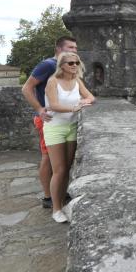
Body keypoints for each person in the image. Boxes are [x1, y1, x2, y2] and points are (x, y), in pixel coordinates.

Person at [22, 35, 78, 209]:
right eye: (70, 47)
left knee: (59, 161)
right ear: (59, 49)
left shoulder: (67, 67)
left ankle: (59, 193)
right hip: (48, 120)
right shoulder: (48, 65)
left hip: (63, 121)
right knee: (47, 158)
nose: (74, 51)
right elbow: (27, 87)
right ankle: (48, 197)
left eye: (75, 48)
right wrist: (39, 110)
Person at [44, 52, 95, 223]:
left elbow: (90, 97)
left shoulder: (76, 81)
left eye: (77, 63)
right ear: (62, 66)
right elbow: (53, 105)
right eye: (70, 63)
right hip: (55, 128)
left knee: (67, 168)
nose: (74, 66)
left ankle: (63, 201)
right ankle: (56, 209)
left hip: (71, 127)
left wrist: (83, 102)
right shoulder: (53, 82)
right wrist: (74, 108)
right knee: (58, 170)